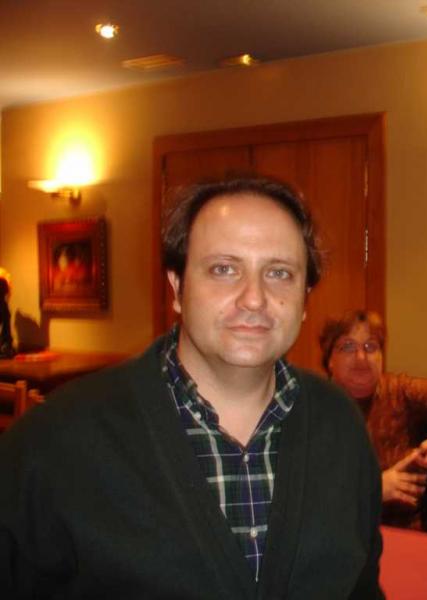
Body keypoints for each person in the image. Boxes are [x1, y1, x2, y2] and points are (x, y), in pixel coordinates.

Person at [0, 178, 383, 599]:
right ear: (177, 287)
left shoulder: (341, 426)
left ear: (305, 298)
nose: (254, 298)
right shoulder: (53, 443)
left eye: (279, 273)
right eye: (224, 269)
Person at [319, 310, 427, 530]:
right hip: (338, 536)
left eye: (371, 346)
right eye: (348, 347)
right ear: (329, 360)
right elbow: (307, 501)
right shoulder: (313, 408)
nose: (361, 357)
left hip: (406, 534)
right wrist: (374, 490)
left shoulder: (398, 392)